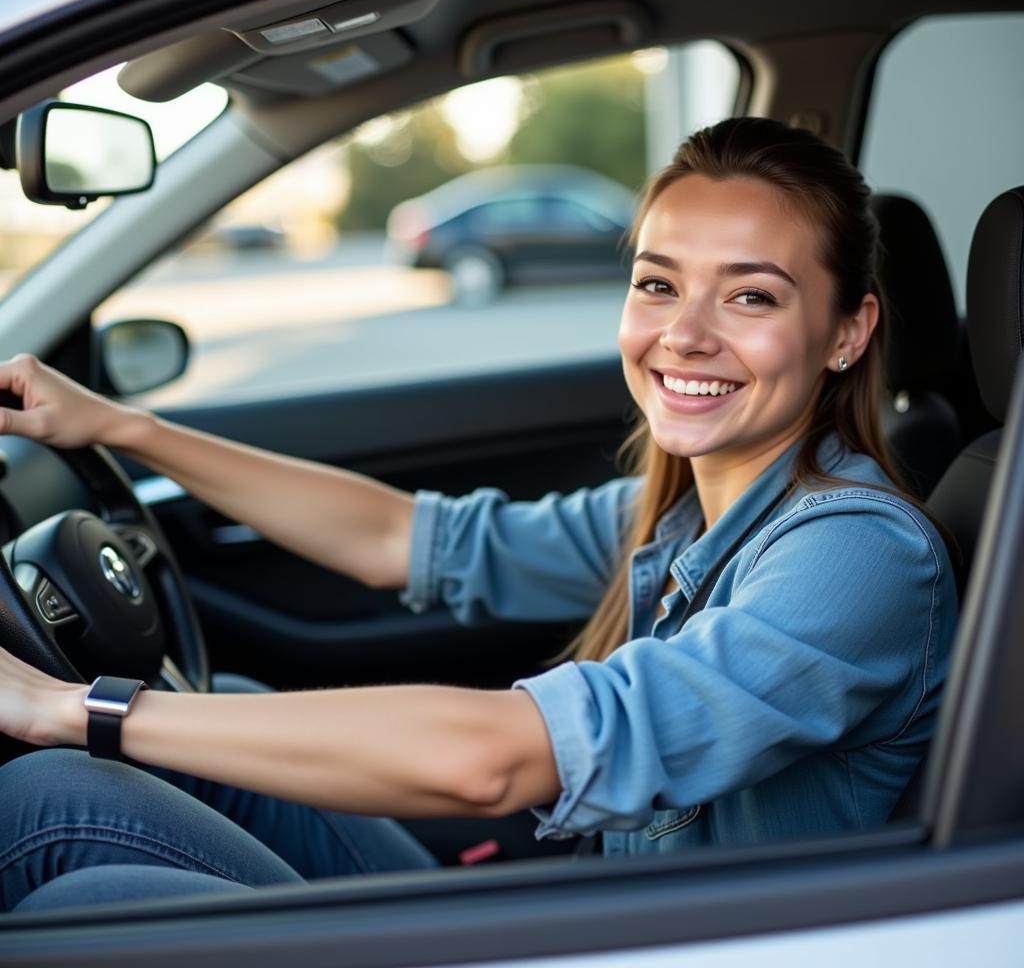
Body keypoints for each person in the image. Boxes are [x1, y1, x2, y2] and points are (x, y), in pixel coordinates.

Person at [0, 117, 958, 912]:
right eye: (659, 283)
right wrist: (121, 426)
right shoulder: (679, 513)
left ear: (847, 332)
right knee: (189, 736)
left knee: (58, 847)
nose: (685, 334)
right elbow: (397, 538)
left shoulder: (858, 554)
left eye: (751, 295)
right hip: (597, 915)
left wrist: (61, 708)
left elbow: (496, 764)